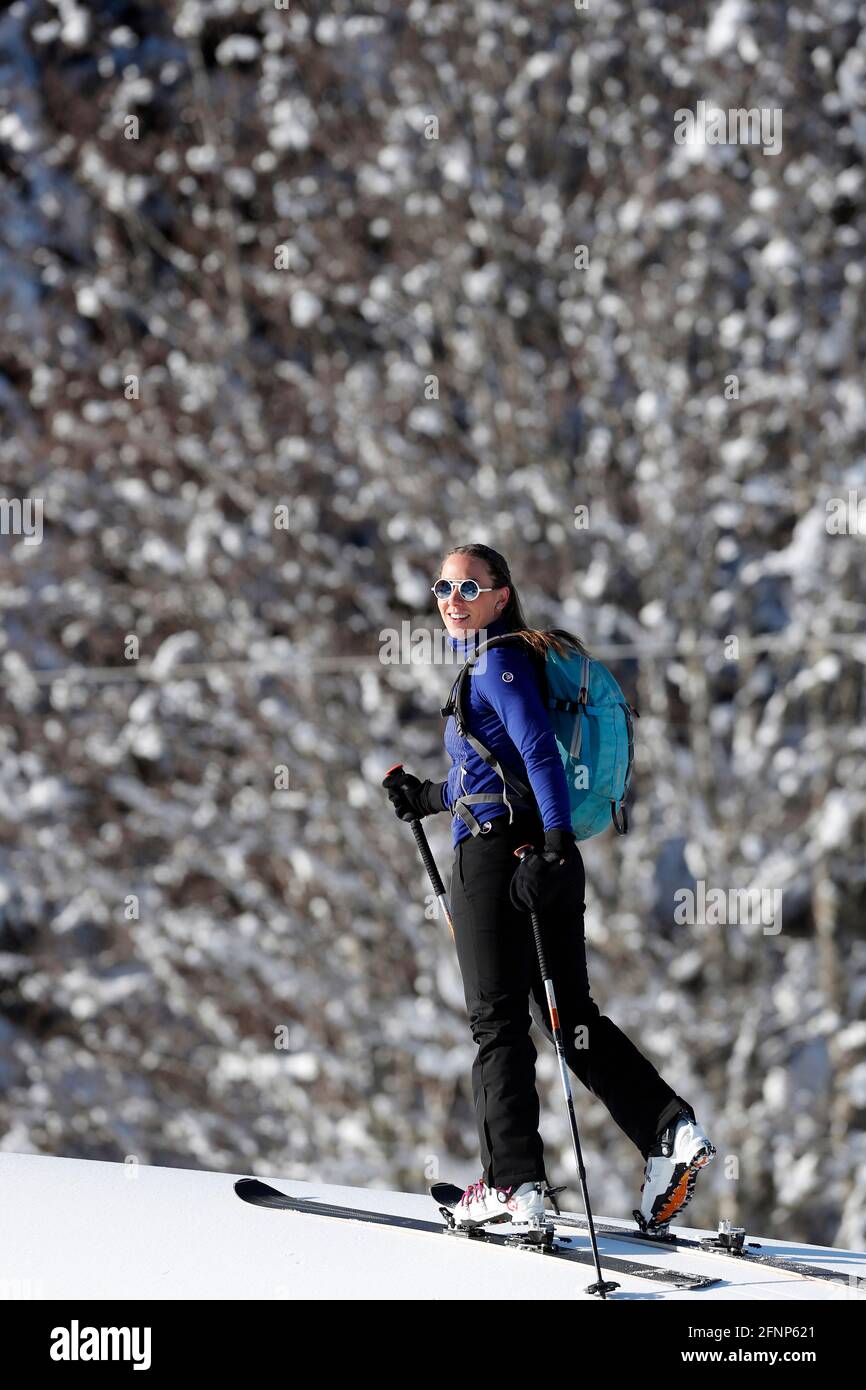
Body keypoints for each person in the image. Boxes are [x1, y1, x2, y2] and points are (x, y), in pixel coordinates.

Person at [383, 542, 715, 1233]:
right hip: (544, 859)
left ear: (502, 595)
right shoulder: (516, 661)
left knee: (497, 1022)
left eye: (468, 588)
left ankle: (514, 1184)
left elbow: (536, 749)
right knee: (572, 1020)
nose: (451, 599)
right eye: (442, 587)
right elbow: (495, 774)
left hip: (504, 861)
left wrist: (555, 844)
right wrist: (428, 797)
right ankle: (667, 1133)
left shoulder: (497, 660)